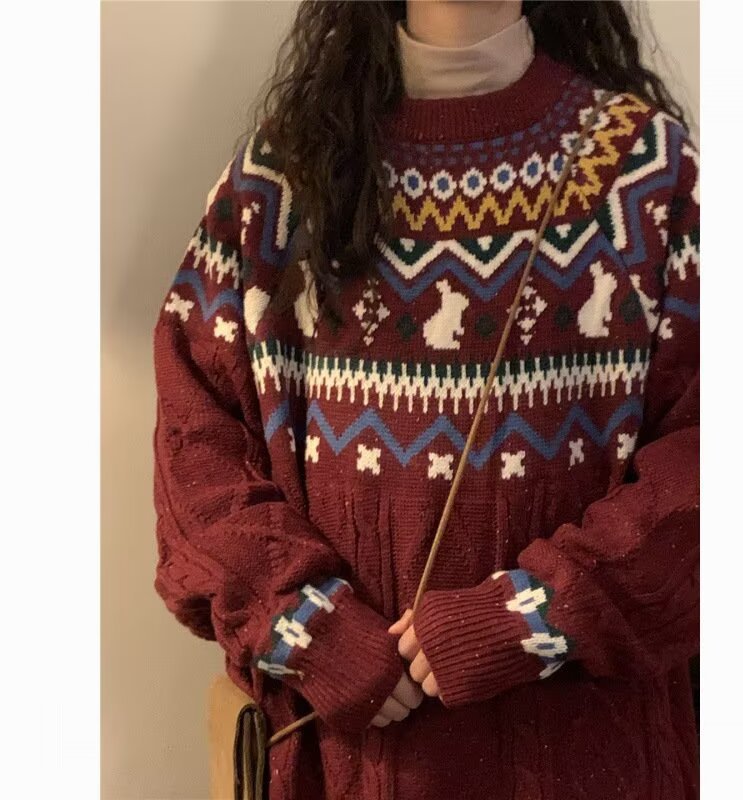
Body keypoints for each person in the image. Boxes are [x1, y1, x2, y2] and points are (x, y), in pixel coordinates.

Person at [151, 2, 699, 798]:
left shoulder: (648, 170)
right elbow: (196, 440)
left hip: (588, 756)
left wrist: (534, 617)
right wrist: (305, 623)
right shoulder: (284, 177)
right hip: (346, 764)